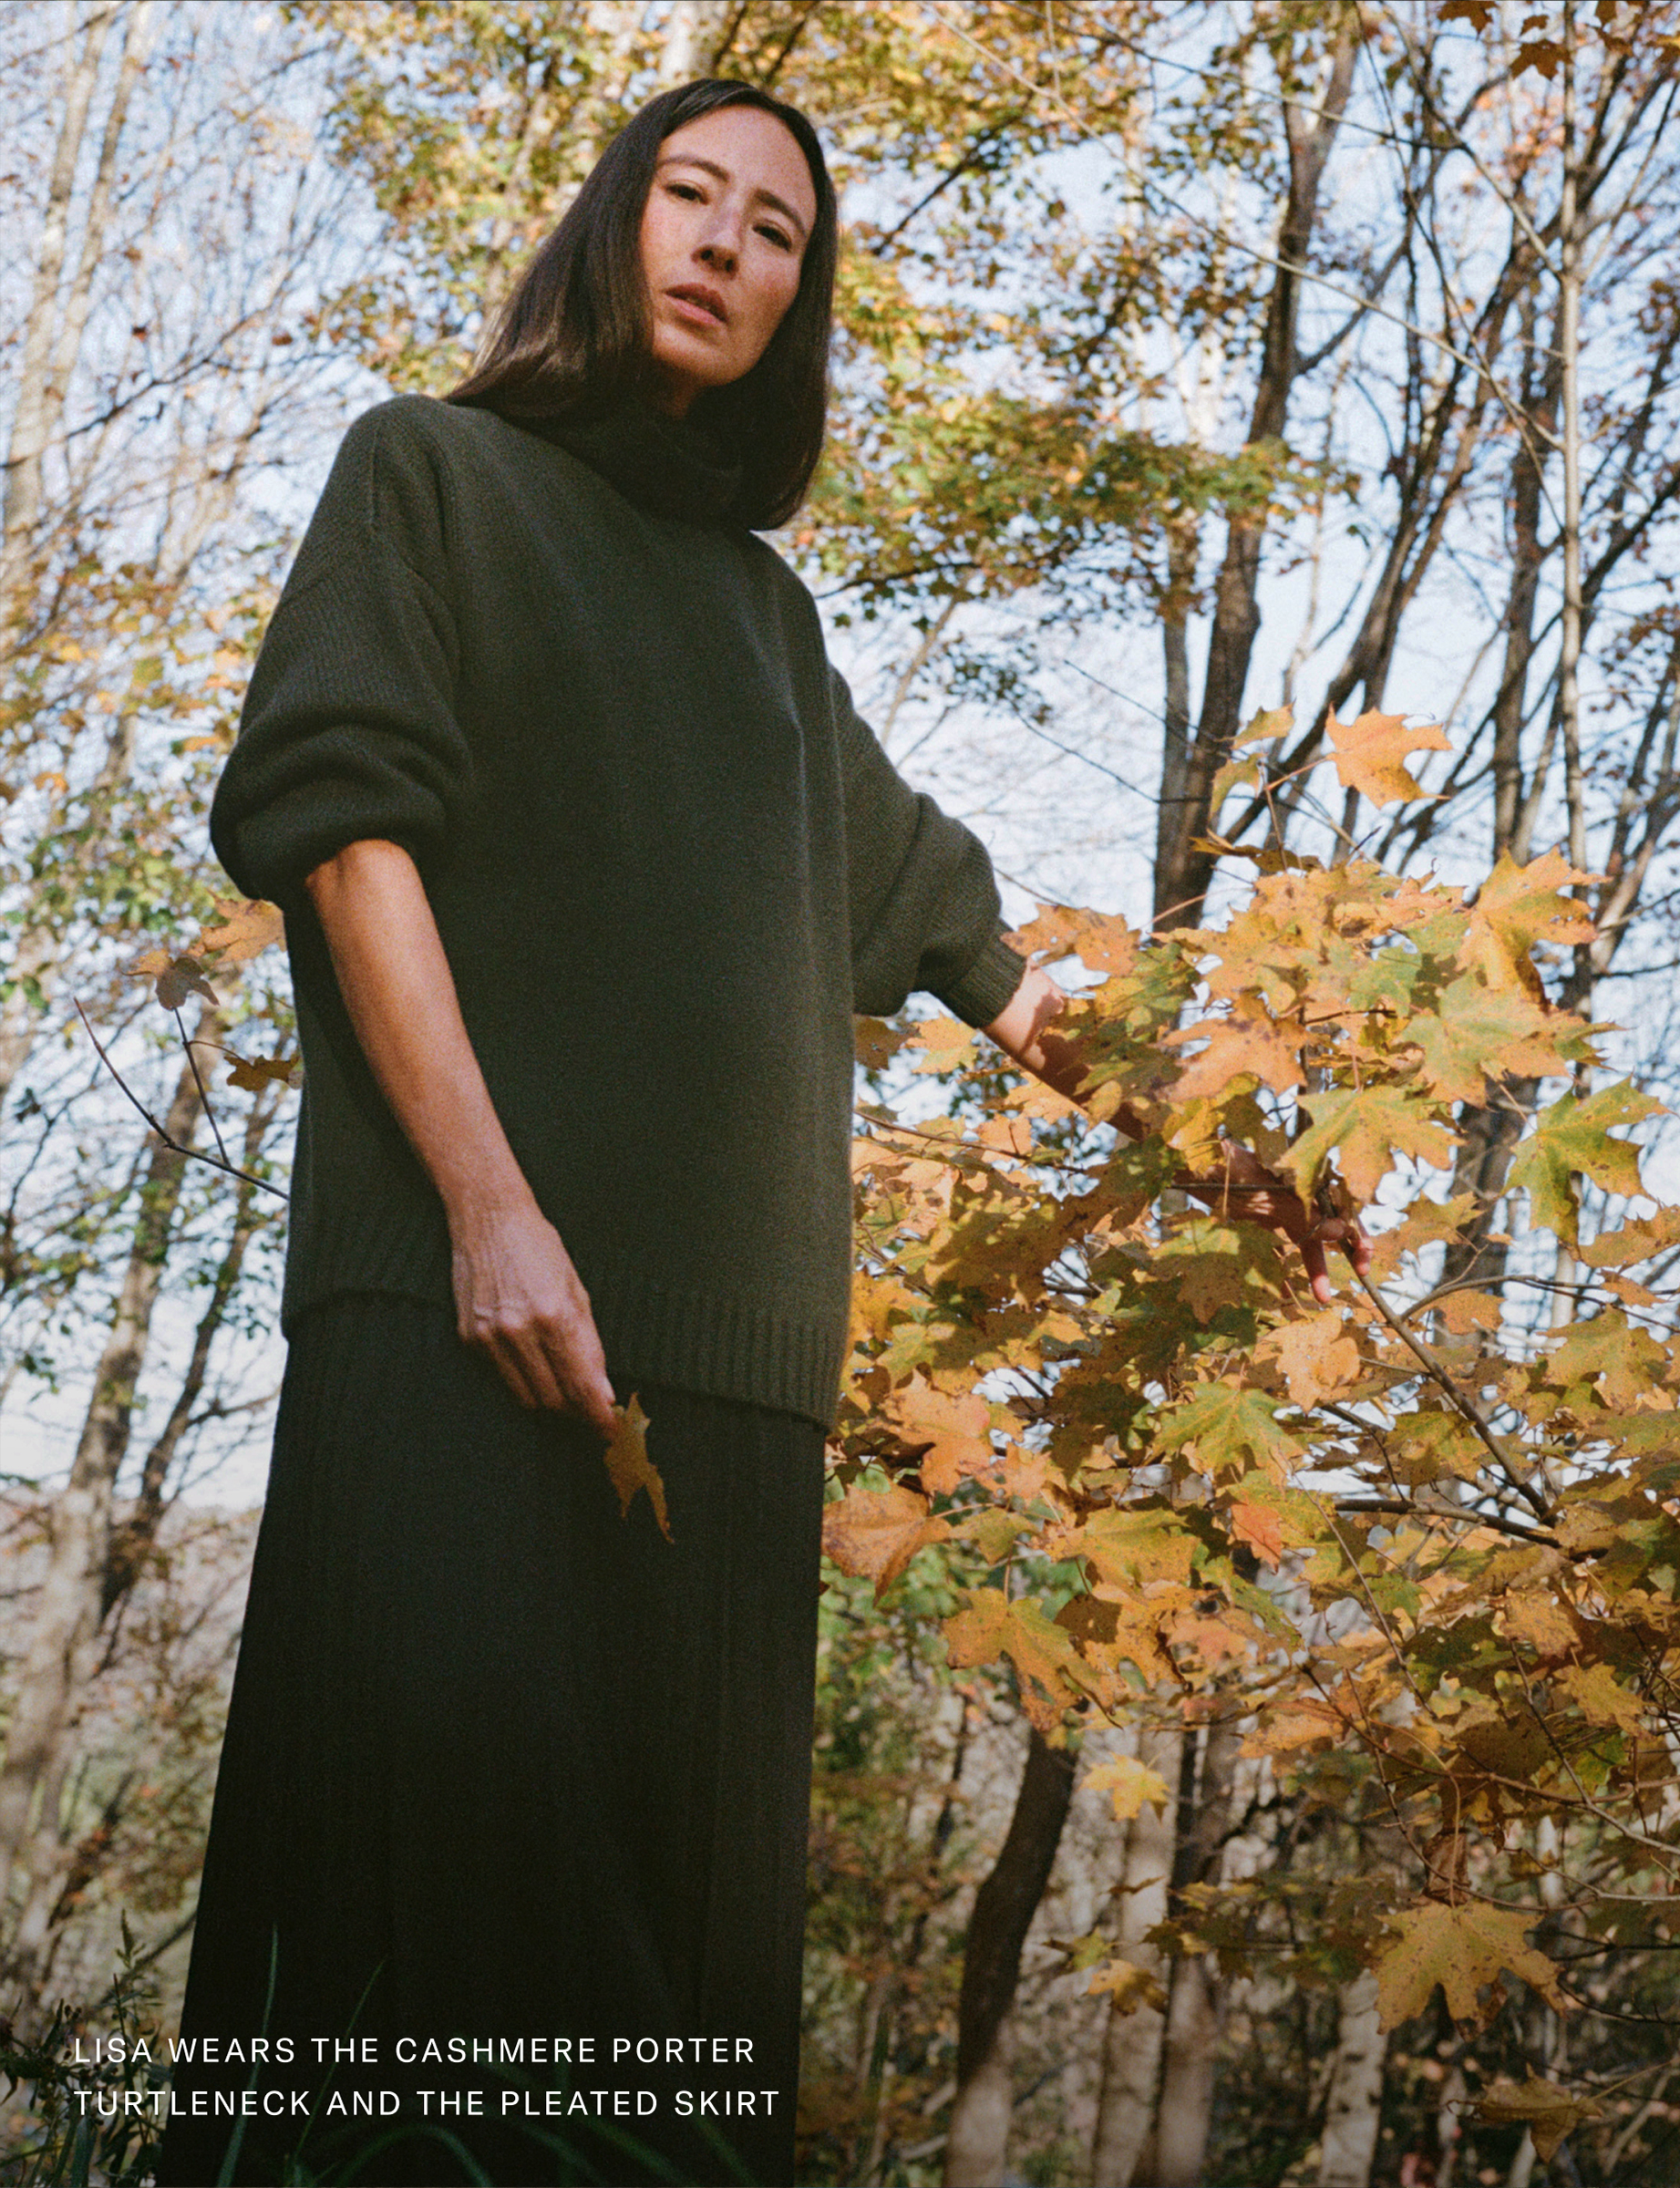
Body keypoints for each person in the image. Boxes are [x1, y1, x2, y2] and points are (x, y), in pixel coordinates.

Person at [156, 77, 1357, 2188]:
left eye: (775, 228)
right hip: (457, 1328)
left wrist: (1217, 1139)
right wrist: (488, 1210)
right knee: (401, 2028)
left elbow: (978, 949)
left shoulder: (765, 625)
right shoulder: (426, 473)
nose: (723, 242)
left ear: (797, 298)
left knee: (671, 2060)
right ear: (613, 226)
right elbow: (342, 830)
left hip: (724, 1412)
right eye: (689, 196)